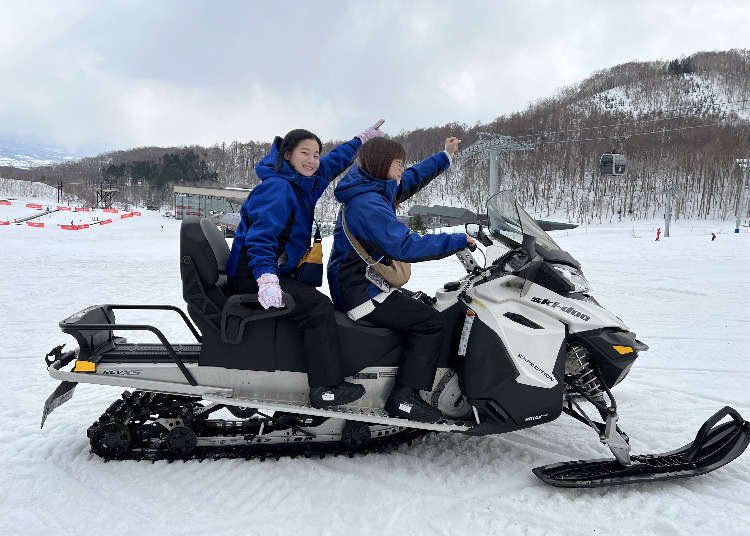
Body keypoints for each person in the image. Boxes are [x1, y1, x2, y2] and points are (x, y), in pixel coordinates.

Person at [226, 121, 384, 409]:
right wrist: (266, 278)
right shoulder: (278, 188)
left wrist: (359, 140)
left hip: (272, 270)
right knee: (319, 309)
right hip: (254, 273)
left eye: (316, 154)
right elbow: (260, 238)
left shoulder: (301, 182)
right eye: (305, 153)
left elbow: (331, 163)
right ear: (287, 155)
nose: (312, 160)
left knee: (316, 300)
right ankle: (324, 388)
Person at [327, 137, 474, 423]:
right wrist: (456, 240)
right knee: (431, 323)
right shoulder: (367, 203)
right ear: (382, 164)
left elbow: (411, 178)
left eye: (402, 164)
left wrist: (444, 157)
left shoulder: (373, 186)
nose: (401, 170)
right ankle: (403, 398)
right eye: (397, 164)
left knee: (427, 306)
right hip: (359, 291)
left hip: (365, 283)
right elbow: (404, 246)